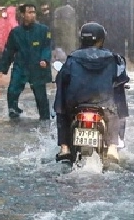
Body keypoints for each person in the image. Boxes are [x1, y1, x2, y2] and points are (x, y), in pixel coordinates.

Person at [53, 22, 129, 163]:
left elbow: (62, 78)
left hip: (76, 103)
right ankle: (112, 147)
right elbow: (121, 78)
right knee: (116, 110)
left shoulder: (72, 58)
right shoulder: (113, 58)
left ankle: (64, 148)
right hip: (103, 104)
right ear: (102, 38)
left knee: (61, 110)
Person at [0, 3, 52, 120]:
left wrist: (44, 60)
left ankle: (45, 119)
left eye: (34, 12)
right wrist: (2, 68)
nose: (32, 15)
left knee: (41, 96)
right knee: (12, 90)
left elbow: (47, 47)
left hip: (37, 67)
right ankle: (13, 111)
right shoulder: (16, 32)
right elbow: (9, 51)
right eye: (29, 12)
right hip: (21, 66)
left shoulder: (43, 30)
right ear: (22, 14)